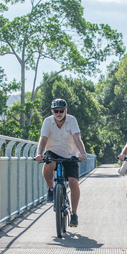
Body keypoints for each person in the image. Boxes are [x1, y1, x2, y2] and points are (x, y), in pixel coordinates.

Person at [35, 98, 87, 228]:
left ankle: (74, 213)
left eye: (61, 111)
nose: (59, 113)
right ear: (52, 111)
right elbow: (43, 139)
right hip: (53, 151)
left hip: (70, 154)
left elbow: (77, 137)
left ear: (65, 111)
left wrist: (83, 153)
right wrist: (39, 153)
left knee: (73, 182)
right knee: (49, 163)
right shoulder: (47, 121)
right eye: (56, 111)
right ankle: (51, 189)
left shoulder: (72, 120)